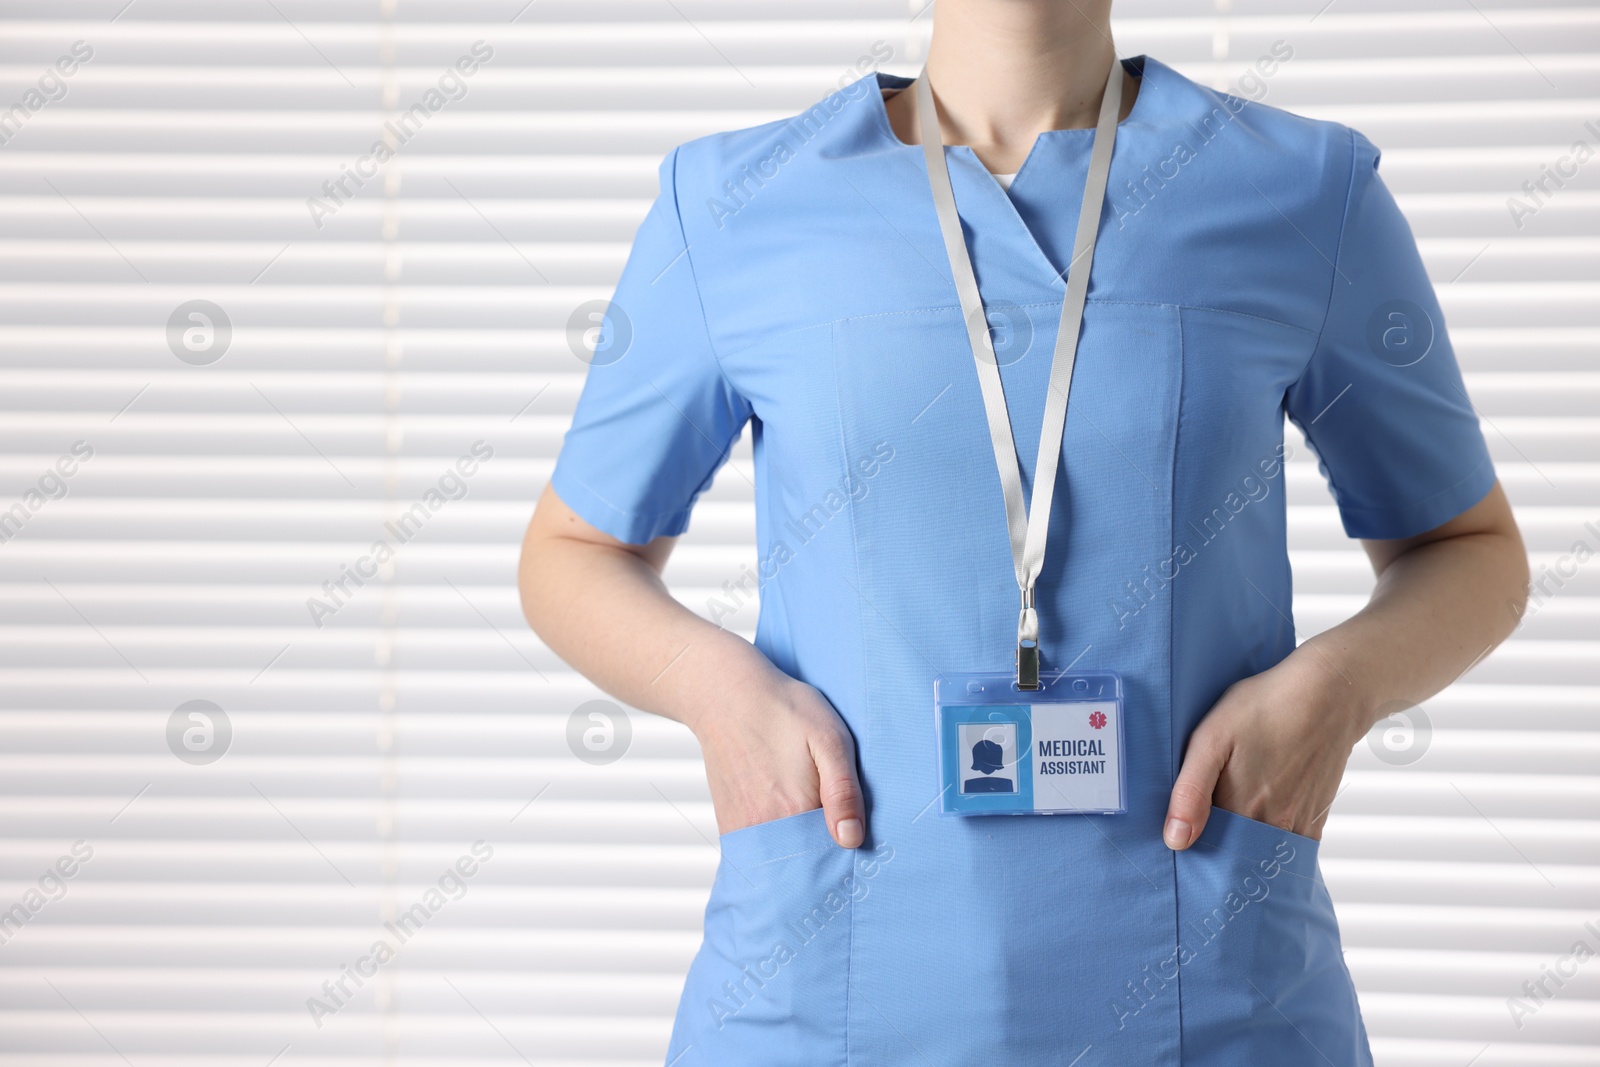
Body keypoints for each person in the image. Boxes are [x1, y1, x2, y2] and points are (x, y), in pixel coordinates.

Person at [519, 1, 1529, 1063]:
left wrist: (1335, 690)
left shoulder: (1302, 191)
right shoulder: (731, 203)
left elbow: (1467, 547)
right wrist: (718, 693)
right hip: (827, 986)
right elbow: (576, 551)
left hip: (1219, 988)